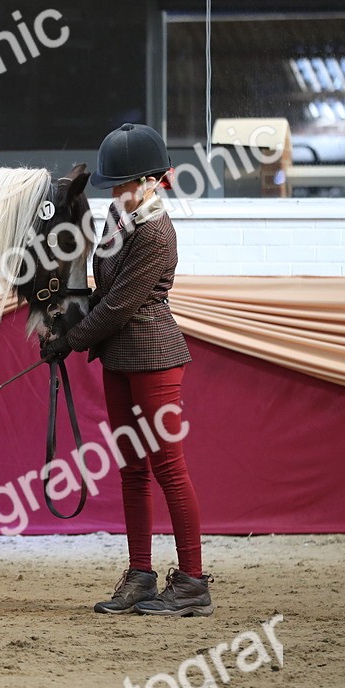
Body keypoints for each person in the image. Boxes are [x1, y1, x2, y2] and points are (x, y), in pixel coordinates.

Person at [41, 123, 213, 617]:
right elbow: (101, 289)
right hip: (118, 357)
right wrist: (63, 327)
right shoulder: (119, 219)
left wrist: (73, 341)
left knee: (169, 470)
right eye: (114, 186)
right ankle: (140, 575)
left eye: (126, 184)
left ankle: (193, 582)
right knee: (132, 472)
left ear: (155, 180)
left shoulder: (157, 231)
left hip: (154, 356)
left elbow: (120, 304)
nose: (118, 194)